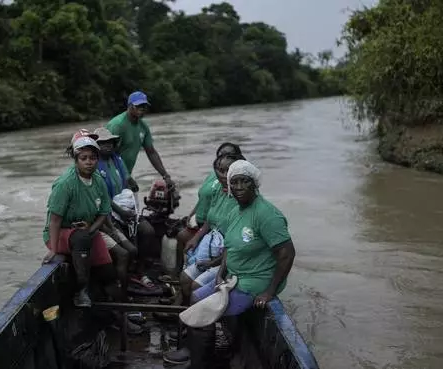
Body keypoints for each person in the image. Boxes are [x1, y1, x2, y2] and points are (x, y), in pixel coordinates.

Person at [163, 160, 296, 368]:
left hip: (253, 283)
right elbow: (229, 246)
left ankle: (200, 362)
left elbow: (287, 253)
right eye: (235, 182)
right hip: (233, 277)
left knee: (201, 314)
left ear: (255, 185)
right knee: (196, 296)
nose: (239, 187)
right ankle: (197, 349)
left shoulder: (267, 215)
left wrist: (270, 291)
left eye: (245, 182)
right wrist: (220, 273)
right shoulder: (236, 210)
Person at [42, 130, 115, 308]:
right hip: (60, 233)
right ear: (76, 160)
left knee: (108, 271)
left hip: (85, 231)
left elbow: (104, 212)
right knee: (81, 237)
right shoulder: (65, 184)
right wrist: (52, 249)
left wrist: (91, 229)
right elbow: (54, 220)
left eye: (92, 158)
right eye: (84, 158)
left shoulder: (98, 180)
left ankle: (107, 304)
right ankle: (80, 290)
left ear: (98, 159)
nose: (89, 162)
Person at [160, 142, 244, 284]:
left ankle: (185, 277)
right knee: (181, 237)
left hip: (214, 229)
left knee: (185, 241)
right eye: (221, 155)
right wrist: (192, 213)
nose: (224, 158)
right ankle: (179, 274)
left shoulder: (235, 186)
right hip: (203, 221)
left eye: (229, 156)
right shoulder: (213, 176)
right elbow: (203, 198)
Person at [91, 127, 157, 291]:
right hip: (109, 212)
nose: (107, 146)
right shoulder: (94, 165)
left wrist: (130, 181)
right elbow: (102, 197)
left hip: (126, 206)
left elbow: (126, 177)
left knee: (148, 231)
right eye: (103, 143)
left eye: (110, 143)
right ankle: (122, 278)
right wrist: (121, 212)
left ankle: (141, 271)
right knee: (129, 249)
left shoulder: (116, 159)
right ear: (97, 146)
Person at [105, 91, 174, 188]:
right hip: (109, 173)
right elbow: (109, 154)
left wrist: (166, 176)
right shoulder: (117, 125)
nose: (142, 109)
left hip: (126, 173)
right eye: (139, 106)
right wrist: (127, 177)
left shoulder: (143, 127)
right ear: (129, 106)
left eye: (144, 106)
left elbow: (151, 152)